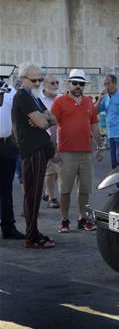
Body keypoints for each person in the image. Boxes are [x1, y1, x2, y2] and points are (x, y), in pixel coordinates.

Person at [10, 64, 56, 248]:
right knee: (33, 194)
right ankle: (32, 236)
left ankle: (34, 232)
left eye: (39, 79)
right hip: (32, 151)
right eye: (34, 80)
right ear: (23, 79)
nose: (38, 83)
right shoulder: (22, 96)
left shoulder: (33, 97)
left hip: (38, 150)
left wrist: (42, 119)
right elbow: (43, 122)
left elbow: (52, 118)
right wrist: (41, 119)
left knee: (35, 194)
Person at [51, 68, 102, 233]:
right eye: (75, 83)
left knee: (85, 189)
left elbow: (94, 126)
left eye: (81, 84)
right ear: (69, 83)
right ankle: (64, 220)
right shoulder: (59, 102)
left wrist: (100, 147)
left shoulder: (88, 102)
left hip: (86, 153)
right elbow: (52, 126)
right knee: (65, 189)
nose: (78, 86)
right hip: (65, 153)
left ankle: (83, 219)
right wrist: (54, 150)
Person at [0, 73, 26, 240]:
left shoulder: (10, 91)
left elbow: (18, 116)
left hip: (7, 144)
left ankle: (8, 227)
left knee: (5, 189)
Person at [97, 74, 119, 168]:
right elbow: (94, 111)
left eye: (108, 84)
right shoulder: (105, 98)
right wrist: (100, 98)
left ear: (115, 83)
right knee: (114, 163)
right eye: (105, 84)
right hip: (110, 134)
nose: (106, 86)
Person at [39, 75, 61, 209]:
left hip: (61, 137)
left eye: (57, 82)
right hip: (44, 138)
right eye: (52, 82)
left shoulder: (61, 98)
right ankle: (52, 198)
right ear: (45, 84)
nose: (55, 85)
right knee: (50, 169)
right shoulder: (38, 99)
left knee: (57, 169)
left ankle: (47, 192)